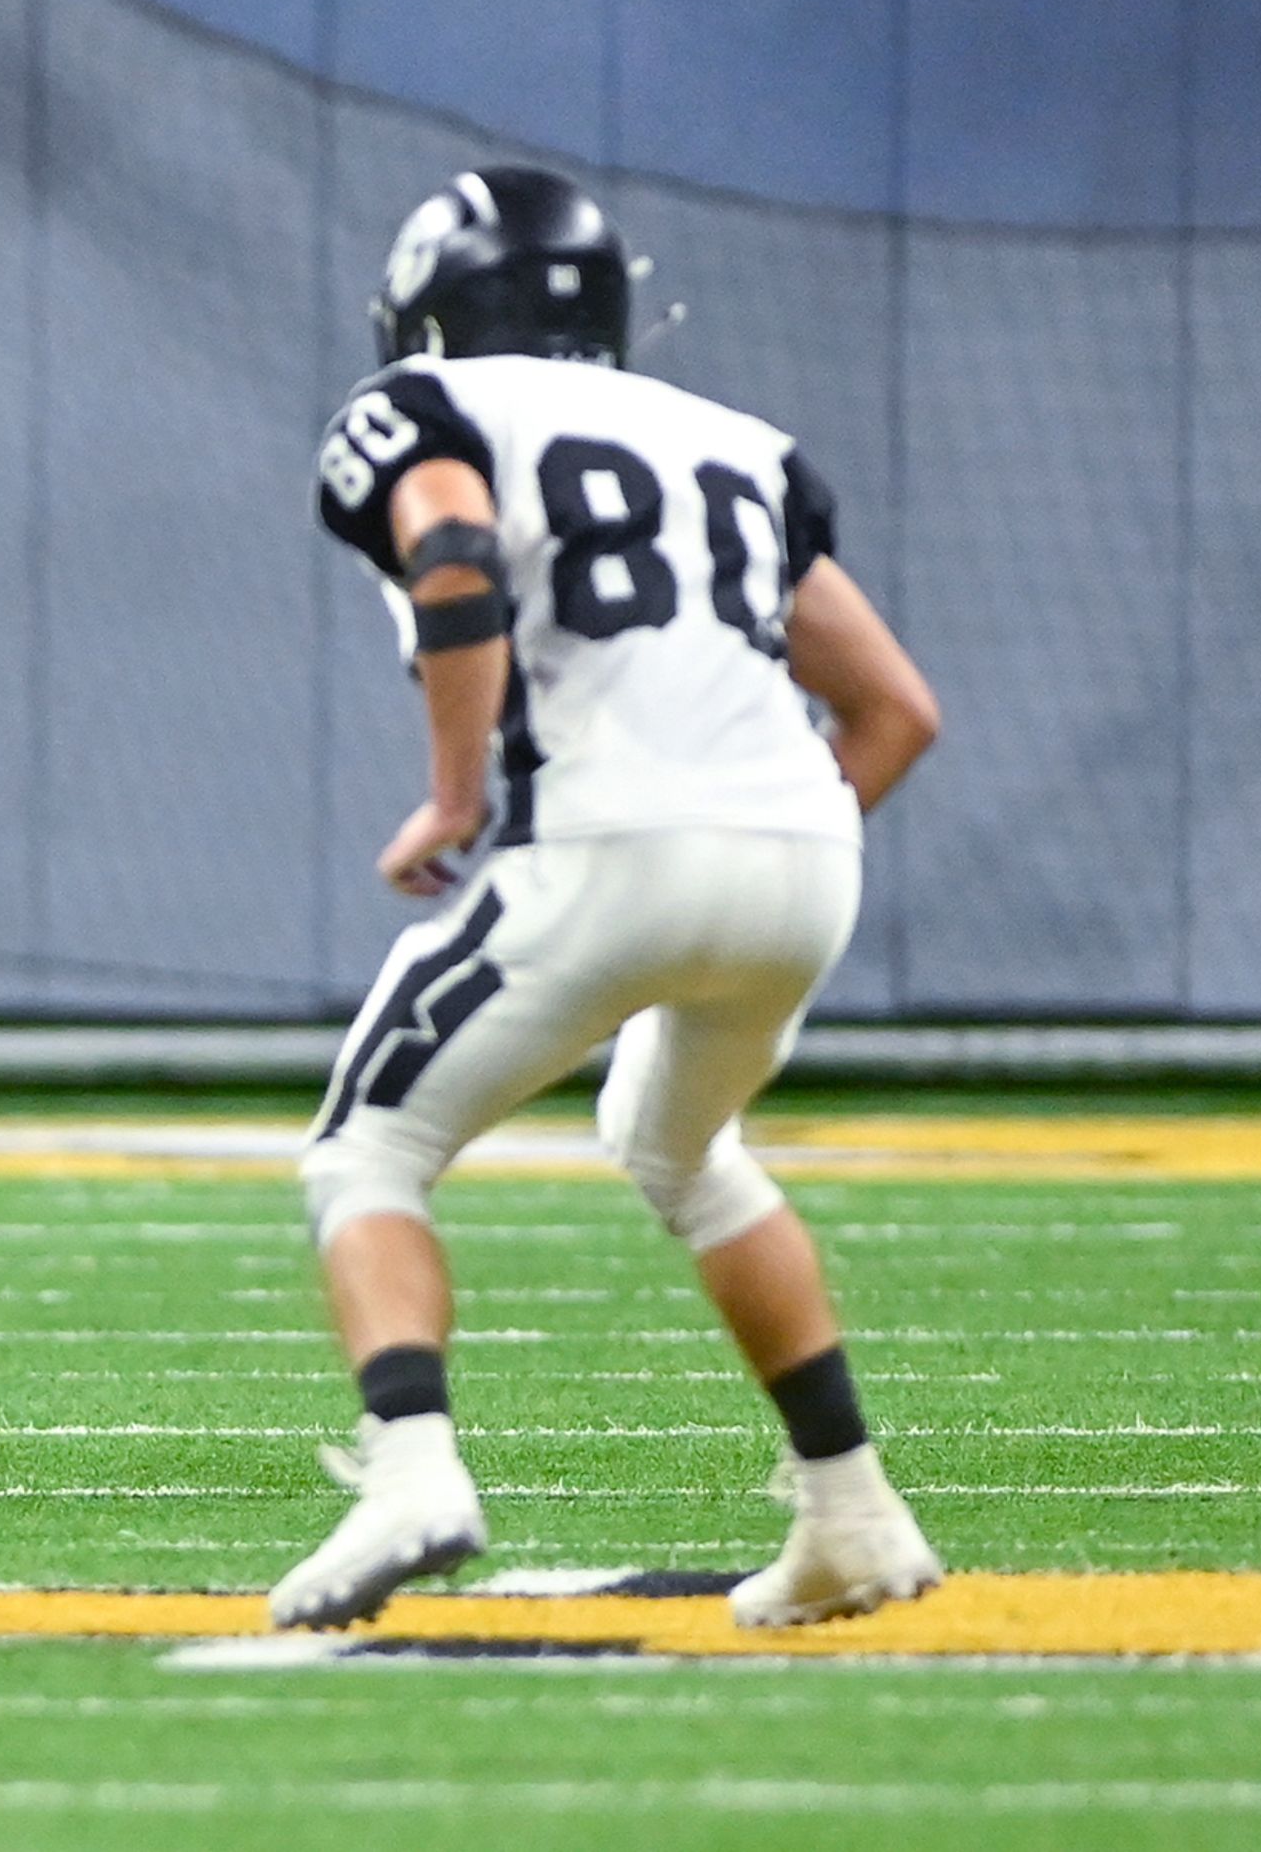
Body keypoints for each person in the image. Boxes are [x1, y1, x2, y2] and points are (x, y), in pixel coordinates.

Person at [274, 166, 944, 1632]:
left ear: (435, 307)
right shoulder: (741, 443)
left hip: (607, 842)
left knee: (365, 1154)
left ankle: (411, 1475)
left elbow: (451, 556)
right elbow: (896, 710)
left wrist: (455, 798)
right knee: (681, 1148)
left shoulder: (435, 413)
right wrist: (773, 841)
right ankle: (851, 1510)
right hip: (803, 865)